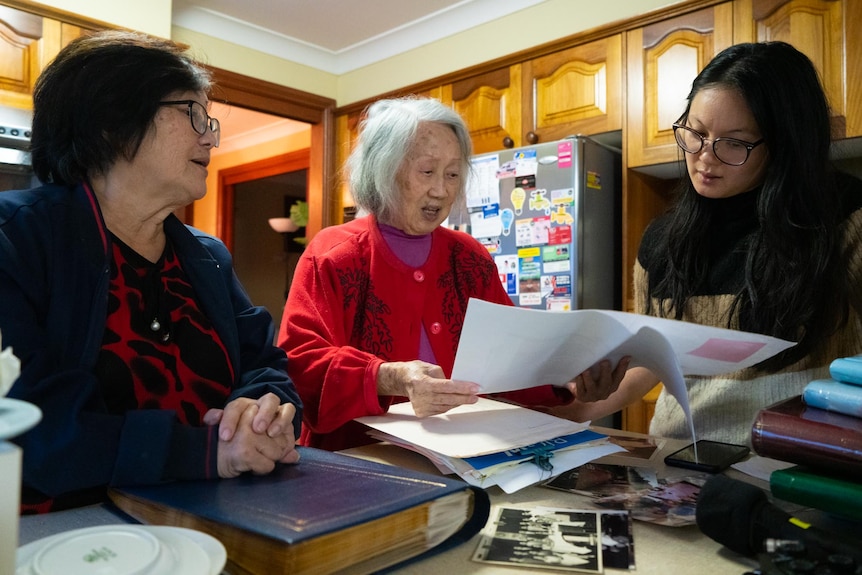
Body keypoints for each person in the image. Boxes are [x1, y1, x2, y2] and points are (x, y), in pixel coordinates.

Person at [0, 30, 302, 514]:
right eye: (193, 114)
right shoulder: (17, 240)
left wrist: (266, 411)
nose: (211, 136)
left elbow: (266, 364)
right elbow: (28, 421)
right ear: (111, 123)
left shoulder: (208, 256)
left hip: (225, 520)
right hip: (65, 536)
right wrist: (209, 452)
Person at [552, 41, 862, 445]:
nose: (704, 157)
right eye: (695, 133)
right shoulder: (661, 242)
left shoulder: (845, 220)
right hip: (678, 459)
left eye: (734, 142)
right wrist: (581, 401)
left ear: (785, 143)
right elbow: (653, 362)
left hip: (792, 466)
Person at [278, 96, 629, 451]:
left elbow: (511, 357)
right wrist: (390, 378)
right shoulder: (335, 254)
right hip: (357, 463)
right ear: (382, 171)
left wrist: (568, 378)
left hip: (461, 459)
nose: (441, 190)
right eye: (427, 172)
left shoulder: (469, 258)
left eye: (453, 174)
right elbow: (300, 366)